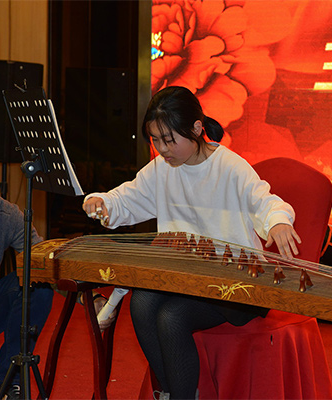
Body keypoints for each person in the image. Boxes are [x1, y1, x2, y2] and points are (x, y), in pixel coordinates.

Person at [83, 86, 302, 399]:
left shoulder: (230, 167)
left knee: (172, 318)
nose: (162, 149)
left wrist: (278, 222)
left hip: (236, 283)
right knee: (142, 302)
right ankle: (172, 393)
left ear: (197, 128)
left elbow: (265, 202)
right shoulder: (162, 169)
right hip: (185, 278)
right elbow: (127, 198)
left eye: (169, 139)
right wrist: (102, 202)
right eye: (155, 140)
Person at [0, 137, 112, 400]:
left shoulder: (4, 215)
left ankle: (7, 380)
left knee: (35, 284)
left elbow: (44, 263)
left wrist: (89, 298)